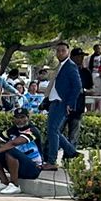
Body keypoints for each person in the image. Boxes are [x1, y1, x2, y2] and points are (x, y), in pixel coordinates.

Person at [42, 41, 81, 170]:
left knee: (53, 130)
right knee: (55, 130)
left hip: (61, 103)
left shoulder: (70, 66)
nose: (60, 53)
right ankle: (72, 152)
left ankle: (52, 161)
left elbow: (77, 86)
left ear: (68, 52)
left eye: (63, 50)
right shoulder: (60, 66)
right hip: (54, 102)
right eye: (58, 51)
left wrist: (70, 103)